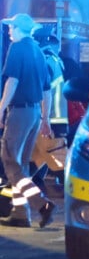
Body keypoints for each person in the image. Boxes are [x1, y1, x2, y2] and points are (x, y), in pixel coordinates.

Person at [0, 13, 56, 228]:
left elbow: (12, 82)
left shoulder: (18, 48)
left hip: (20, 112)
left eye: (11, 27)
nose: (8, 31)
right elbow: (47, 90)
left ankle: (42, 205)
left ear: (19, 28)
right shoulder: (38, 52)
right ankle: (21, 214)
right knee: (21, 165)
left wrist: (1, 109)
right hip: (33, 114)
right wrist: (45, 119)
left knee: (10, 162)